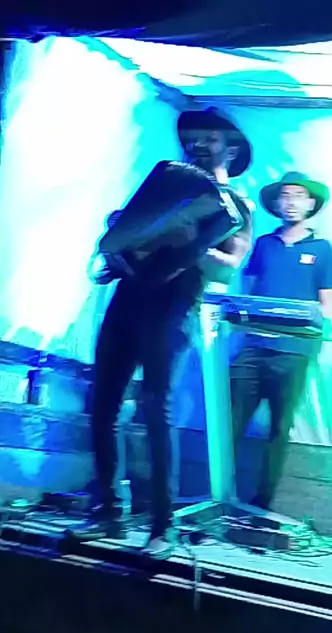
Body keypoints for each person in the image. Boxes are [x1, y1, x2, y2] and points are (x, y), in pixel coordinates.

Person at [76, 108, 252, 556]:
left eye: (210, 138)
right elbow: (127, 237)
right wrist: (124, 240)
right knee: (103, 406)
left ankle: (162, 526)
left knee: (157, 410)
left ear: (231, 149)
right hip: (128, 299)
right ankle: (109, 513)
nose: (198, 144)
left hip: (174, 306)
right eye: (193, 137)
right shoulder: (168, 187)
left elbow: (227, 269)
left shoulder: (237, 205)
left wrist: (190, 243)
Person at [231, 170, 332, 511]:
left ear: (310, 204)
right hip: (253, 348)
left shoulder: (321, 248)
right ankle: (220, 496)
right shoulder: (264, 243)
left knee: (279, 428)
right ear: (276, 204)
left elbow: (326, 303)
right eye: (285, 196)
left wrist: (316, 332)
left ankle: (262, 504)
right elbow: (248, 291)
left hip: (293, 352)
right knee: (230, 423)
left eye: (298, 196)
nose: (290, 203)